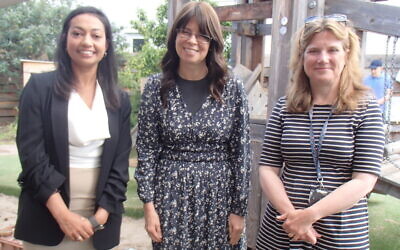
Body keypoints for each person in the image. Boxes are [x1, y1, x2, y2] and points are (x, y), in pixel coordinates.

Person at [256, 14, 385, 249]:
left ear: (346, 55)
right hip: (282, 229)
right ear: (302, 58)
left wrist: (309, 216)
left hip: (341, 234)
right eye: (313, 51)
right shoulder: (285, 108)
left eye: (332, 50)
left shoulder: (366, 109)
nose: (322, 58)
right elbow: (267, 168)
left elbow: (364, 180)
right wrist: (293, 217)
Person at [134, 1, 250, 249]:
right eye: (185, 31)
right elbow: (146, 149)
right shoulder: (156, 87)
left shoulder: (231, 88)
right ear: (175, 35)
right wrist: (148, 206)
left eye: (202, 35)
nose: (192, 41)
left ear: (214, 42)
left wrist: (239, 209)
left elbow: (241, 154)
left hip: (220, 199)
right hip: (170, 198)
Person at [14, 6, 132, 250]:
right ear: (65, 39)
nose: (86, 41)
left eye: (96, 35)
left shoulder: (119, 100)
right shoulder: (39, 88)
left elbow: (120, 166)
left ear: (106, 45)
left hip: (101, 216)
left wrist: (101, 216)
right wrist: (63, 215)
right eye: (77, 33)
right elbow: (32, 157)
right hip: (47, 210)